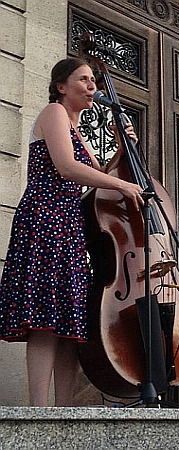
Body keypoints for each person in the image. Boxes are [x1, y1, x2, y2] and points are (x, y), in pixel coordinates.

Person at [0, 57, 144, 407]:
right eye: (83, 79)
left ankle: (64, 412)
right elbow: (67, 167)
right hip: (45, 219)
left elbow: (97, 181)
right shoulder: (54, 113)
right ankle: (38, 411)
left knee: (67, 322)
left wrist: (122, 150)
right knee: (45, 319)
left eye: (93, 80)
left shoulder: (76, 129)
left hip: (68, 224)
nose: (92, 85)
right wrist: (124, 187)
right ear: (62, 86)